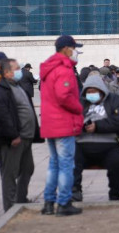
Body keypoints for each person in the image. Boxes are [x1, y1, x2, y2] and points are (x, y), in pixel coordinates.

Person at [39, 35, 85, 217]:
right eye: (74, 48)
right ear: (66, 49)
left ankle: (49, 202)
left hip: (51, 123)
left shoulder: (48, 68)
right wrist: (79, 108)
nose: (76, 52)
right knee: (66, 164)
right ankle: (64, 202)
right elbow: (64, 95)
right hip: (63, 122)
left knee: (54, 164)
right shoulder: (64, 69)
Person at [73, 75, 119, 202]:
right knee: (71, 158)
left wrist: (98, 126)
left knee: (118, 162)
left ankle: (115, 194)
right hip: (82, 144)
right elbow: (71, 119)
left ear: (101, 90)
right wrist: (82, 126)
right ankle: (75, 191)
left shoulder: (116, 100)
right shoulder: (80, 102)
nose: (91, 94)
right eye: (88, 92)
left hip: (110, 144)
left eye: (94, 91)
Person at [0, 58, 37, 212]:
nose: (20, 71)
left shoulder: (18, 87)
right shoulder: (2, 90)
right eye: (17, 69)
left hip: (26, 137)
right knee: (10, 174)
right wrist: (13, 135)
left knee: (28, 168)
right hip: (14, 139)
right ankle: (10, 208)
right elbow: (2, 115)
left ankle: (20, 199)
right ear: (6, 73)